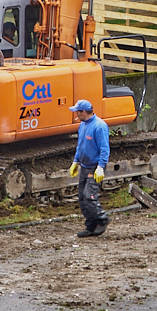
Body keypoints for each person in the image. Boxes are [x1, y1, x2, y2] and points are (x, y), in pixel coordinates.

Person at [68, 99, 110, 237]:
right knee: (81, 198)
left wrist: (101, 167)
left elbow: (104, 148)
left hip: (94, 167)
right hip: (85, 166)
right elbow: (80, 145)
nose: (76, 114)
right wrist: (76, 161)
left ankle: (102, 218)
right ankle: (91, 226)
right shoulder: (82, 125)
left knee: (89, 196)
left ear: (84, 112)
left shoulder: (99, 126)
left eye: (77, 112)